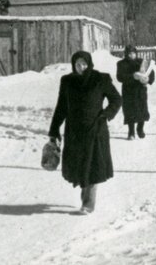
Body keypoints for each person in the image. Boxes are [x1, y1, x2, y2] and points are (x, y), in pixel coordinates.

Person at [48, 50, 122, 214]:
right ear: (73, 65)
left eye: (84, 64)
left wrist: (105, 115)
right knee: (80, 166)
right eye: (77, 64)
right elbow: (61, 107)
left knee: (92, 166)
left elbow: (116, 99)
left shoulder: (100, 79)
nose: (81, 67)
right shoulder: (67, 81)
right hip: (74, 132)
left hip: (95, 130)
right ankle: (86, 197)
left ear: (89, 64)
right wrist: (54, 130)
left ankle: (88, 204)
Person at [115, 45, 155, 139]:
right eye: (129, 53)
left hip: (140, 90)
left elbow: (151, 72)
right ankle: (131, 132)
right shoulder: (121, 64)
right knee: (130, 111)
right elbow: (120, 77)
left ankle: (140, 129)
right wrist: (132, 76)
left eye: (133, 53)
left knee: (142, 110)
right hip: (128, 91)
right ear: (126, 54)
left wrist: (148, 79)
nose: (131, 55)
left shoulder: (141, 62)